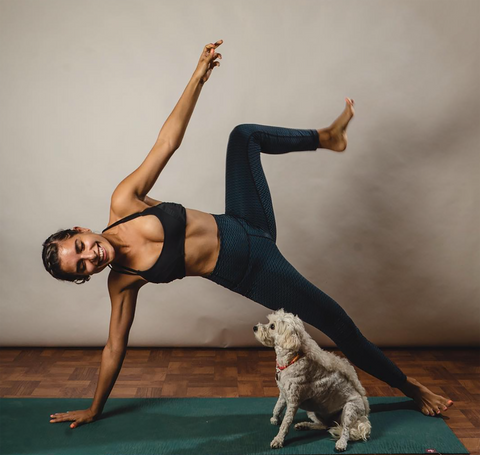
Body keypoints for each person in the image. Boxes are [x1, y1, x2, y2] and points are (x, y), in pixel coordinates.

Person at [44, 40, 453, 429]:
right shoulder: (123, 282)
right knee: (338, 323)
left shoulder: (124, 202)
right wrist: (95, 408)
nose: (90, 256)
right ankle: (410, 387)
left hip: (245, 220)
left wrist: (197, 77)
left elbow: (167, 142)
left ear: (81, 229)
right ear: (87, 276)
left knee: (244, 136)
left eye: (79, 246)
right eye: (81, 266)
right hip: (253, 269)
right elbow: (115, 346)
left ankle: (327, 138)